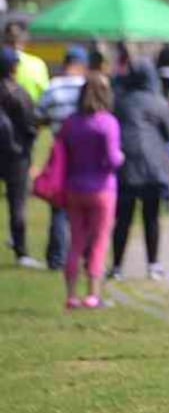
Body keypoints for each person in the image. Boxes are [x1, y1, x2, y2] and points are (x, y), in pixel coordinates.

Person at [59, 73, 124, 308]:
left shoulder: (71, 122)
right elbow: (113, 159)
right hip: (102, 189)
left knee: (76, 241)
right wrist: (122, 157)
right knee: (99, 241)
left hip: (74, 187)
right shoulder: (108, 123)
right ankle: (93, 295)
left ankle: (71, 295)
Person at [108, 58, 169, 281]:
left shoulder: (120, 102)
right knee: (151, 218)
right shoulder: (159, 103)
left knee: (123, 219)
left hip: (126, 168)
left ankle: (117, 267)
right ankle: (153, 265)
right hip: (153, 169)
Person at [35, 47, 90, 270]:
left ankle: (57, 258)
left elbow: (39, 116)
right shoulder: (86, 88)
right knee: (84, 206)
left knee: (59, 204)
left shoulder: (54, 87)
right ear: (81, 65)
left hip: (61, 151)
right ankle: (84, 255)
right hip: (85, 152)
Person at [0, 48, 41, 268]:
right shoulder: (19, 93)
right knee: (17, 204)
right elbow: (30, 125)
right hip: (17, 156)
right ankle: (21, 251)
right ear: (14, 68)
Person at [2, 21, 50, 105]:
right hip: (29, 114)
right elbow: (45, 95)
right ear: (24, 41)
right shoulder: (37, 64)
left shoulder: (37, 63)